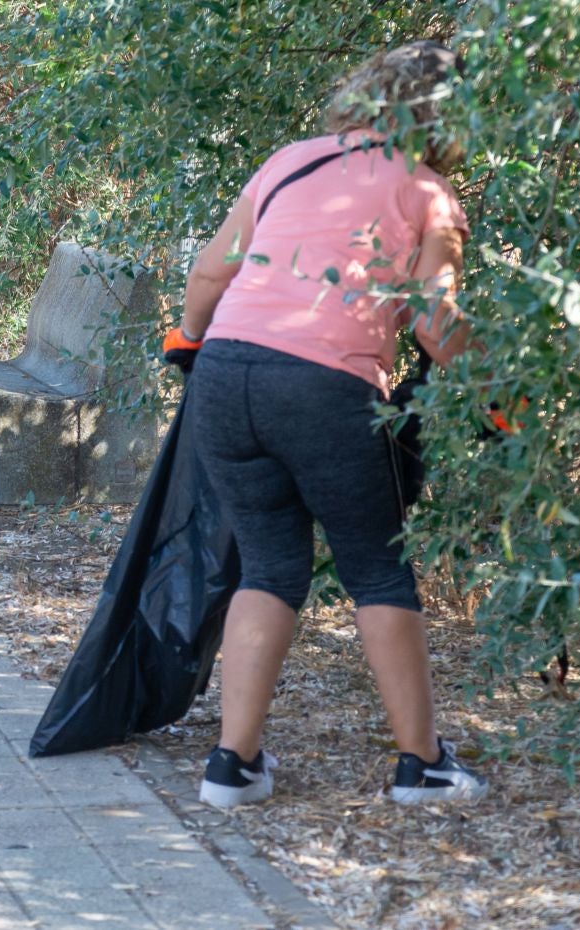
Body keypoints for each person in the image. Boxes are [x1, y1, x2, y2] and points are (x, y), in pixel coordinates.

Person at [162, 40, 487, 810]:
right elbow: (436, 324)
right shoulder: (429, 193)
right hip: (324, 387)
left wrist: (187, 339)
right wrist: (497, 390)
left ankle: (232, 766)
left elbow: (211, 271)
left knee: (270, 567)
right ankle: (421, 766)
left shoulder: (291, 162)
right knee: (377, 568)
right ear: (447, 121)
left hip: (226, 376)